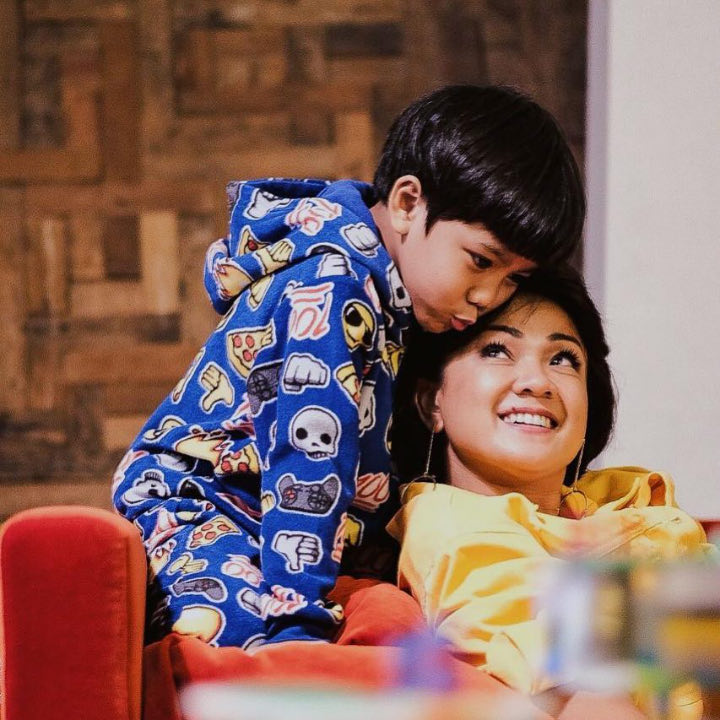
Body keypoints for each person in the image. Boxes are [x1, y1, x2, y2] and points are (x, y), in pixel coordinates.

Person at [112, 84, 585, 650]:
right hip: (196, 506)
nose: (488, 295)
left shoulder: (387, 297)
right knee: (252, 644)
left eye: (513, 279)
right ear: (407, 204)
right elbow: (308, 455)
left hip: (256, 517)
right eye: (481, 261)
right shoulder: (334, 288)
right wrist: (297, 618)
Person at [388, 264, 715, 716]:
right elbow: (585, 696)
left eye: (563, 359)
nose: (538, 382)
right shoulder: (452, 531)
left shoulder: (624, 500)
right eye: (497, 350)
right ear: (431, 402)